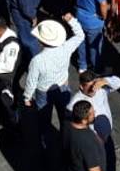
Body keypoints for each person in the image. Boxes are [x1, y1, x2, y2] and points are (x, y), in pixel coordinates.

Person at [23, 15, 85, 150]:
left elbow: (31, 81)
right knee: (66, 117)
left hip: (43, 93)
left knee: (44, 119)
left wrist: (27, 97)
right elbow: (80, 35)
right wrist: (71, 21)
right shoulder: (65, 48)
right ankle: (66, 141)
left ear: (41, 41)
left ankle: (46, 143)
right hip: (63, 87)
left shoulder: (37, 60)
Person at [69, 0, 109, 73]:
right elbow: (103, 3)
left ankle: (82, 66)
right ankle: (96, 68)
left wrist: (74, 2)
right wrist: (103, 16)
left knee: (80, 41)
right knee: (94, 47)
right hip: (93, 20)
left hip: (79, 15)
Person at [65, 99, 109, 171]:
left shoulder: (67, 125)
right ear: (84, 120)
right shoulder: (87, 142)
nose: (94, 114)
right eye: (92, 114)